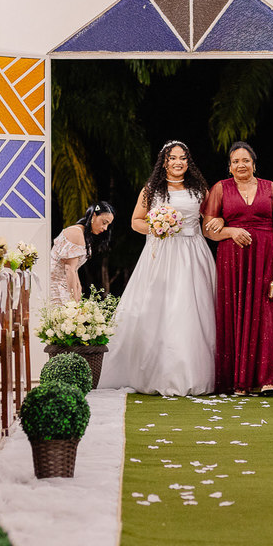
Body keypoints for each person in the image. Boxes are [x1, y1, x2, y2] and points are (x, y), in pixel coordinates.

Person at [98, 141, 216, 396]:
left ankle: (195, 374)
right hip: (161, 254)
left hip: (193, 252)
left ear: (188, 162)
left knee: (192, 310)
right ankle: (157, 373)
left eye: (182, 158)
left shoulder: (200, 190)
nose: (178, 162)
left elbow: (209, 224)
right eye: (172, 158)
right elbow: (135, 222)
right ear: (164, 162)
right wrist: (157, 227)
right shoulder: (151, 190)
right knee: (160, 309)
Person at [202, 141, 273, 396]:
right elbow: (207, 230)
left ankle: (267, 380)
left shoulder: (271, 189)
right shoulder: (220, 188)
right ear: (229, 167)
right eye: (236, 161)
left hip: (266, 259)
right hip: (233, 262)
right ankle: (237, 381)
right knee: (235, 314)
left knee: (267, 315)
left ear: (254, 163)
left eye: (246, 160)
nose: (241, 165)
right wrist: (230, 230)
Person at [49, 201, 115, 305]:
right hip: (55, 285)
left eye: (108, 225)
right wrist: (73, 300)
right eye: (104, 222)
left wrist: (78, 289)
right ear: (94, 215)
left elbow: (74, 269)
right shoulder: (76, 233)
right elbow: (69, 269)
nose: (105, 228)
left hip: (63, 284)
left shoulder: (82, 233)